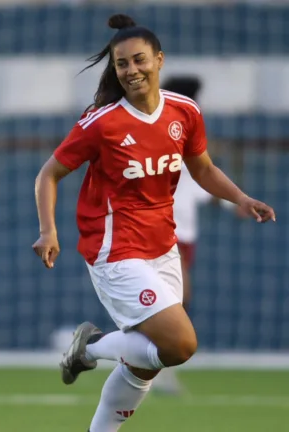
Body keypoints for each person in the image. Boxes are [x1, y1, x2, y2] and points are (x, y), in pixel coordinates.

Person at [32, 14, 275, 432]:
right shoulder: (102, 123)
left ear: (159, 60)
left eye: (139, 60)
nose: (131, 70)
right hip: (114, 251)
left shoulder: (185, 112)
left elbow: (202, 168)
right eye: (122, 64)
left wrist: (241, 197)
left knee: (146, 364)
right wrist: (48, 230)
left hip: (163, 246)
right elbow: (48, 174)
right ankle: (89, 348)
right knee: (181, 344)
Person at [153, 76, 243, 395]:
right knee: (176, 299)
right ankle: (150, 364)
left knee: (174, 302)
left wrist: (236, 205)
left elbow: (203, 184)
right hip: (163, 229)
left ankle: (149, 363)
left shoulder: (189, 136)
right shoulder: (162, 134)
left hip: (186, 232)